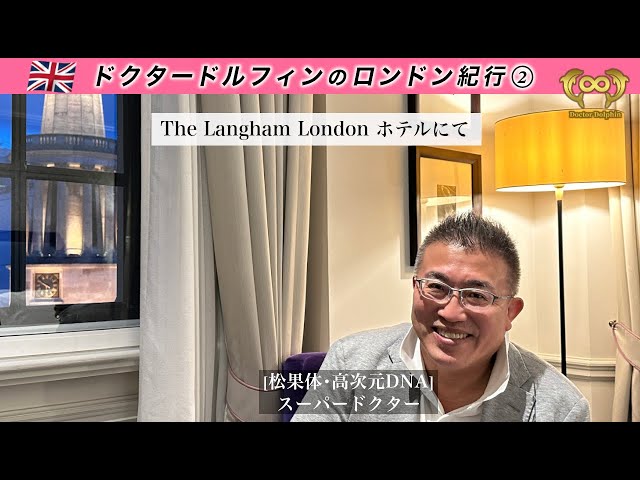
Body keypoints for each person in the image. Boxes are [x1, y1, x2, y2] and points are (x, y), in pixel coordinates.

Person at [291, 211, 590, 422]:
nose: (451, 312)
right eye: (436, 287)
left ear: (510, 312)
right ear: (415, 288)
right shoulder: (351, 362)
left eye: (476, 295)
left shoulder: (559, 408)